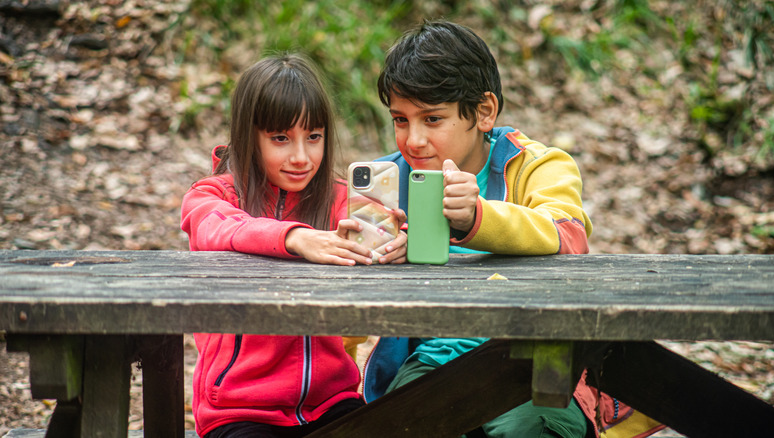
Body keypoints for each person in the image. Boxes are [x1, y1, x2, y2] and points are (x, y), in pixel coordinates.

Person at [363, 20, 663, 438]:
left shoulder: (537, 165)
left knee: (528, 430)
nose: (412, 140)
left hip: (537, 358)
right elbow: (351, 322)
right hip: (432, 358)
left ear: (484, 111)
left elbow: (566, 235)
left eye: (432, 119)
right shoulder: (389, 180)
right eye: (400, 119)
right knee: (398, 426)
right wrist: (366, 257)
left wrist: (476, 218)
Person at [180, 53, 406, 438]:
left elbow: (382, 237)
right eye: (281, 138)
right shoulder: (215, 195)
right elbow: (212, 226)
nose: (301, 157)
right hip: (239, 406)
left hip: (330, 400)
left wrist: (399, 244)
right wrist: (296, 238)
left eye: (313, 137)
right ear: (247, 136)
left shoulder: (340, 201)